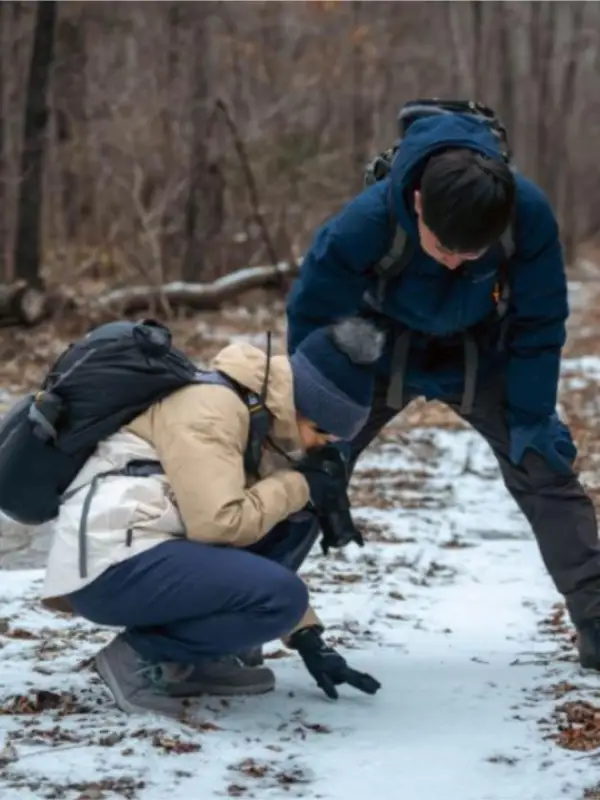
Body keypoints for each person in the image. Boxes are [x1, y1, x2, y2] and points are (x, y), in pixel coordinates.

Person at [286, 110, 600, 670]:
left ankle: (596, 618)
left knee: (544, 462)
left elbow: (540, 321)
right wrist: (312, 418)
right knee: (300, 466)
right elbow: (312, 313)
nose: (456, 261)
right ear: (418, 205)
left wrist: (530, 415)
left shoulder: (526, 215)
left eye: (470, 254)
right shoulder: (364, 223)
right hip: (379, 344)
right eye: (444, 248)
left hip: (479, 349)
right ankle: (235, 613)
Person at [41, 317, 383, 718]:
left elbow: (246, 539)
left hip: (148, 548)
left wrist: (308, 636)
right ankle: (137, 661)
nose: (321, 447)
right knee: (282, 589)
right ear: (305, 408)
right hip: (111, 560)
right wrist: (299, 486)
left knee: (293, 522)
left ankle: (201, 661)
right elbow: (217, 525)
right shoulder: (213, 407)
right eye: (322, 435)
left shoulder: (257, 417)